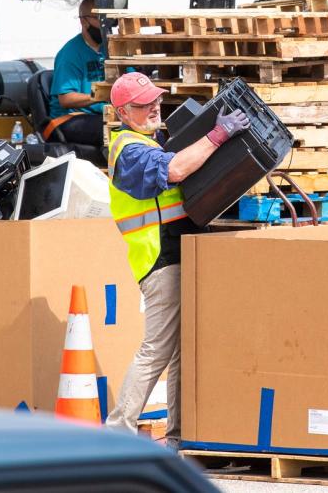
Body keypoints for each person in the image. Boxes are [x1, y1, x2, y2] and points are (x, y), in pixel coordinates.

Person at [103, 72, 250, 446]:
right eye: (142, 104)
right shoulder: (130, 150)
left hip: (179, 252)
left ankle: (180, 436)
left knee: (183, 350)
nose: (154, 107)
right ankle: (116, 435)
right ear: (122, 112)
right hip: (160, 259)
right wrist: (218, 134)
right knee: (157, 350)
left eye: (155, 99)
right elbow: (174, 169)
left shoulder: (151, 140)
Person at [48, 0, 107, 147]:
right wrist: (100, 95)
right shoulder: (70, 53)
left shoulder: (110, 49)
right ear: (83, 20)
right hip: (69, 118)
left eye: (105, 18)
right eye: (97, 18)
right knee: (109, 129)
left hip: (101, 114)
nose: (103, 23)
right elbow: (66, 98)